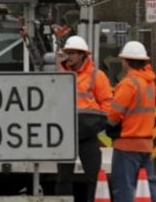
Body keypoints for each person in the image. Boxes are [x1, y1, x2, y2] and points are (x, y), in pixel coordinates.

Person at [55, 35, 112, 202]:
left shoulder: (97, 75)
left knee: (94, 177)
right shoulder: (60, 75)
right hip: (65, 134)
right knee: (63, 179)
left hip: (88, 135)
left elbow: (107, 102)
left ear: (82, 55)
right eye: (67, 52)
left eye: (72, 53)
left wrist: (99, 125)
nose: (69, 56)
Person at [107, 41, 156, 202]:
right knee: (148, 186)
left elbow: (114, 115)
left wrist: (108, 125)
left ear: (126, 61)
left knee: (124, 188)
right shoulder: (150, 84)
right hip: (146, 144)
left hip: (126, 144)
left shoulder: (128, 84)